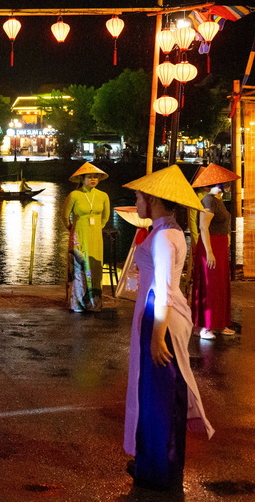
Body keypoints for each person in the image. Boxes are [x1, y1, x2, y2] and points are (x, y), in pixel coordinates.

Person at [123, 165, 214, 490]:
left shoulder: (163, 237)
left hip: (159, 316)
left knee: (158, 397)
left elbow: (162, 288)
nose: (136, 202)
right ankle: (151, 464)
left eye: (139, 197)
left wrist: (157, 336)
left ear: (153, 200)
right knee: (155, 394)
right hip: (158, 313)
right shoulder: (169, 231)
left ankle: (159, 470)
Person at [190, 163, 240, 340]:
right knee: (210, 285)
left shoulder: (217, 200)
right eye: (226, 183)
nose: (228, 185)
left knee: (220, 285)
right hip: (211, 245)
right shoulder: (209, 200)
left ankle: (219, 323)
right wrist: (209, 251)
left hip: (219, 245)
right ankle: (205, 326)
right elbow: (203, 227)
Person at [64, 162, 111, 312]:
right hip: (79, 234)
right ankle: (78, 302)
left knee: (95, 266)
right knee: (79, 266)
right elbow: (65, 217)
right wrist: (73, 229)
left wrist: (97, 228)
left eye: (95, 177)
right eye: (89, 177)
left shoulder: (103, 196)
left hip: (95, 235)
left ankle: (94, 302)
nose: (93, 179)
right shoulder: (74, 195)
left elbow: (105, 217)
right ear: (82, 179)